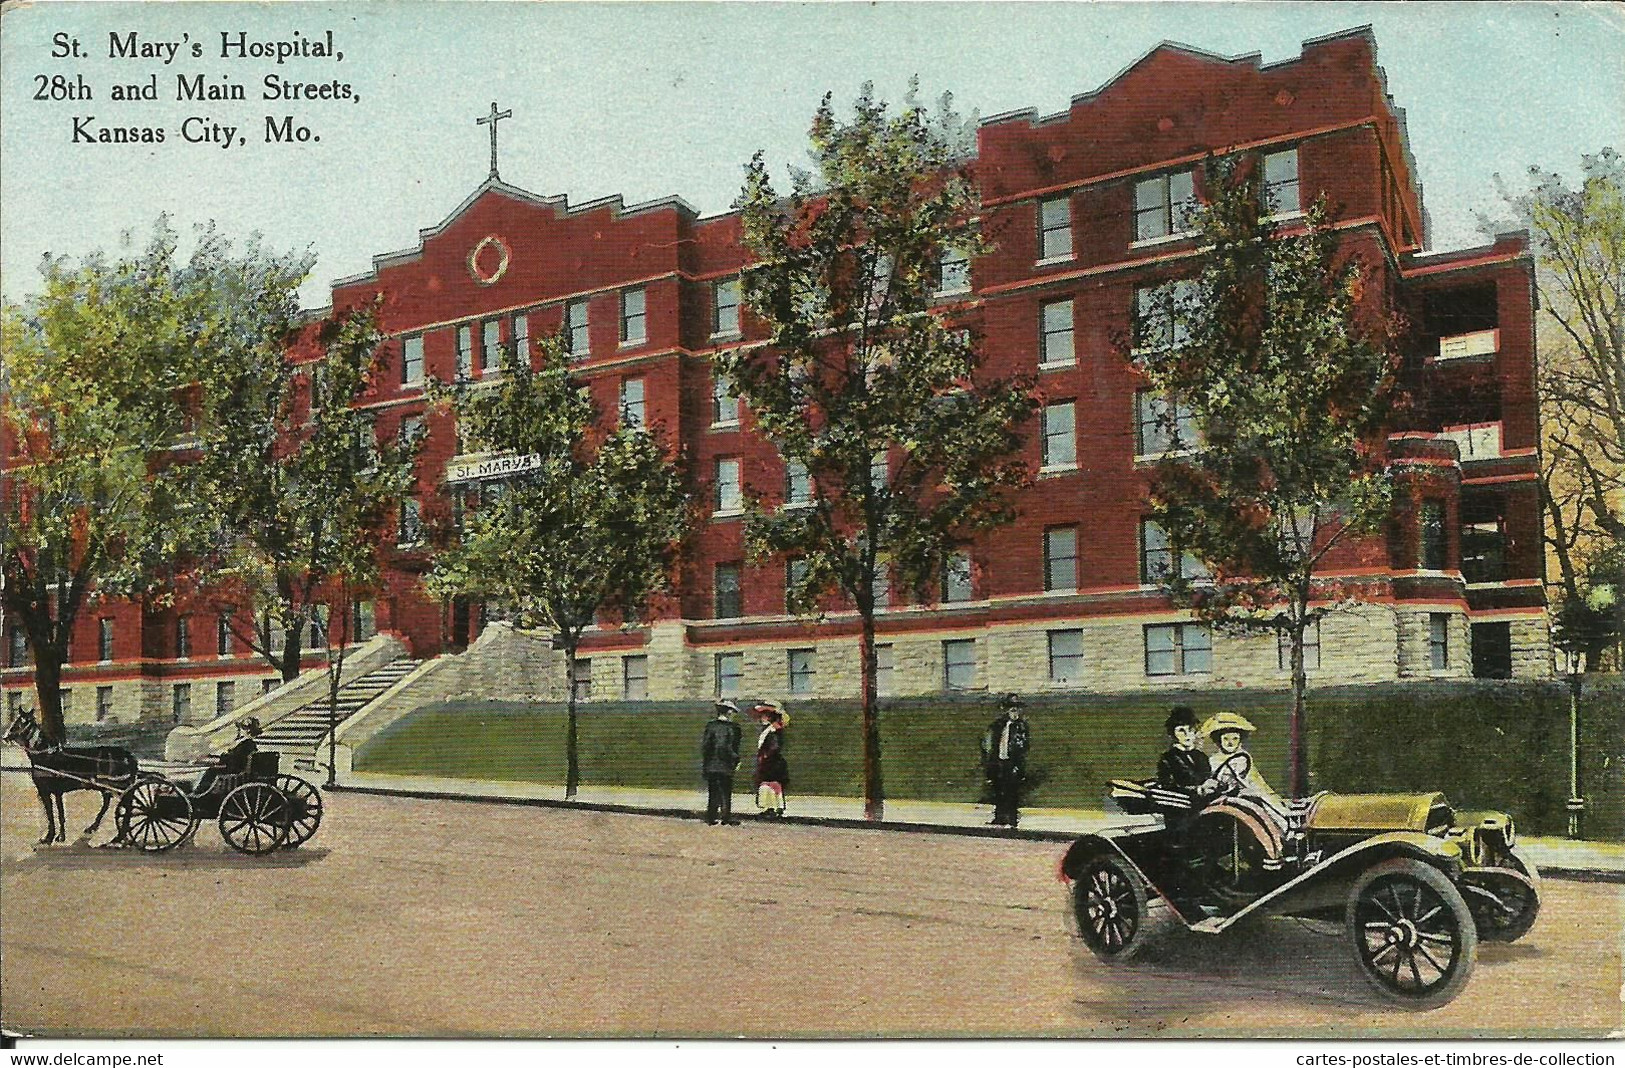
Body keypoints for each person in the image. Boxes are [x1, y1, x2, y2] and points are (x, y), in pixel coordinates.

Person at [1199, 711, 1288, 816]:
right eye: (1226, 739)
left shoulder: (1244, 757)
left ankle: (1285, 821)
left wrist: (1264, 792)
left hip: (1243, 792)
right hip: (1222, 796)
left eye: (1235, 738)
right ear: (1219, 740)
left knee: (1264, 799)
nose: (1230, 743)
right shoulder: (1213, 760)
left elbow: (1254, 779)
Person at [981, 693, 1030, 828]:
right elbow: (990, 743)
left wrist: (1018, 765)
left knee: (1011, 791)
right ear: (1007, 711)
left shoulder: (1021, 726)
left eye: (1017, 710)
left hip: (1011, 762)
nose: (1015, 713)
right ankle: (999, 817)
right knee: (998, 790)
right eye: (1012, 710)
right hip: (998, 761)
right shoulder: (998, 725)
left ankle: (1012, 819)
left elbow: (1022, 747)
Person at [1157, 705, 1220, 804]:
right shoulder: (1168, 758)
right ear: (1173, 734)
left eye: (1190, 730)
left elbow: (1207, 777)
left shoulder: (1201, 756)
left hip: (1205, 803)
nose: (1187, 735)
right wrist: (1197, 790)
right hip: (1181, 806)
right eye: (1181, 731)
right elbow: (1167, 787)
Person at [700, 700, 743, 825]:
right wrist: (736, 759)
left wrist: (706, 762)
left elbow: (706, 746)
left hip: (712, 764)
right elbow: (731, 747)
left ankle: (711, 817)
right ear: (729, 712)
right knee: (726, 791)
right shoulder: (734, 728)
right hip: (726, 763)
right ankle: (725, 817)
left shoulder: (710, 726)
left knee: (713, 791)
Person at [194, 716, 262, 795]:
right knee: (210, 769)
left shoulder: (247, 744)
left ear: (248, 730)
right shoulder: (246, 743)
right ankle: (200, 792)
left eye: (241, 728)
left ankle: (200, 793)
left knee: (210, 771)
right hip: (235, 768)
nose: (239, 730)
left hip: (235, 771)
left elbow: (235, 759)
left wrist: (221, 758)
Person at [751, 703, 790, 819]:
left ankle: (774, 808)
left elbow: (775, 746)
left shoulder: (774, 730)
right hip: (767, 762)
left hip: (772, 763)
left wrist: (765, 756)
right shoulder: (768, 730)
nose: (762, 718)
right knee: (766, 784)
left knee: (771, 784)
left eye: (765, 715)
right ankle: (769, 807)